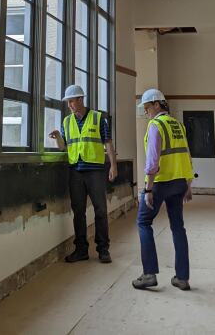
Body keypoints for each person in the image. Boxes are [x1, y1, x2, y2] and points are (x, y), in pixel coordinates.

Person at [132, 88, 194, 291]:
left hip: (159, 183)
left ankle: (149, 274)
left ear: (157, 105)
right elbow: (186, 155)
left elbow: (152, 161)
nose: (146, 113)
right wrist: (188, 184)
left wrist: (148, 190)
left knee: (143, 222)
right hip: (179, 183)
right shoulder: (178, 125)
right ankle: (182, 277)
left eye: (147, 108)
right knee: (178, 227)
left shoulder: (155, 125)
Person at [49, 84, 118, 264]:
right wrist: (58, 137)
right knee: (78, 211)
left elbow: (108, 143)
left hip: (94, 170)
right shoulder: (66, 121)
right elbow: (64, 147)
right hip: (76, 171)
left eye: (72, 101)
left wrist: (113, 166)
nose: (70, 105)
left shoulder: (98, 118)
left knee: (100, 210)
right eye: (68, 102)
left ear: (81, 99)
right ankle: (81, 250)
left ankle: (103, 249)